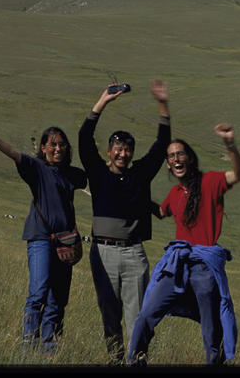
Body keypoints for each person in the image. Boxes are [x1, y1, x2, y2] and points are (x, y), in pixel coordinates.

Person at [127, 124, 240, 366]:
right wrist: (134, 194)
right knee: (146, 314)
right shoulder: (175, 192)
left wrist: (230, 144)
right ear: (168, 165)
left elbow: (237, 174)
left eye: (180, 153)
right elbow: (160, 212)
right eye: (171, 156)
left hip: (204, 266)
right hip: (177, 264)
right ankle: (134, 361)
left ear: (189, 158)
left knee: (212, 329)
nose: (175, 158)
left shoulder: (211, 182)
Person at [0, 115, 87, 353]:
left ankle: (49, 350)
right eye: (52, 144)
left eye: (61, 144)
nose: (57, 148)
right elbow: (12, 152)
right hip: (41, 239)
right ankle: (28, 346)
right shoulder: (36, 168)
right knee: (38, 292)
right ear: (43, 148)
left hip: (64, 243)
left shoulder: (72, 174)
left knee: (58, 300)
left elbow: (97, 173)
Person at [78, 79, 171, 364]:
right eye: (117, 148)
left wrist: (163, 104)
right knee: (109, 311)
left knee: (137, 314)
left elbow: (161, 144)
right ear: (109, 151)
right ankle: (115, 359)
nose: (122, 153)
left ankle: (136, 360)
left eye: (127, 149)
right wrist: (103, 101)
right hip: (102, 252)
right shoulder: (97, 171)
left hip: (133, 253)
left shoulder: (140, 174)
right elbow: (84, 137)